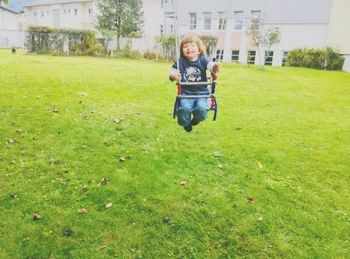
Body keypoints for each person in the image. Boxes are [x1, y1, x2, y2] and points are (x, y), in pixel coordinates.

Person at [169, 33, 221, 132]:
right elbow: (173, 71)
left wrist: (215, 66)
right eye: (185, 46)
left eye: (192, 45)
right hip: (186, 93)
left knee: (201, 109)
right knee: (184, 109)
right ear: (182, 50)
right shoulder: (180, 62)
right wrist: (173, 76)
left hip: (202, 93)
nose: (189, 48)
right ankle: (186, 123)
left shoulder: (203, 60)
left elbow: (210, 65)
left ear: (199, 50)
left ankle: (197, 119)